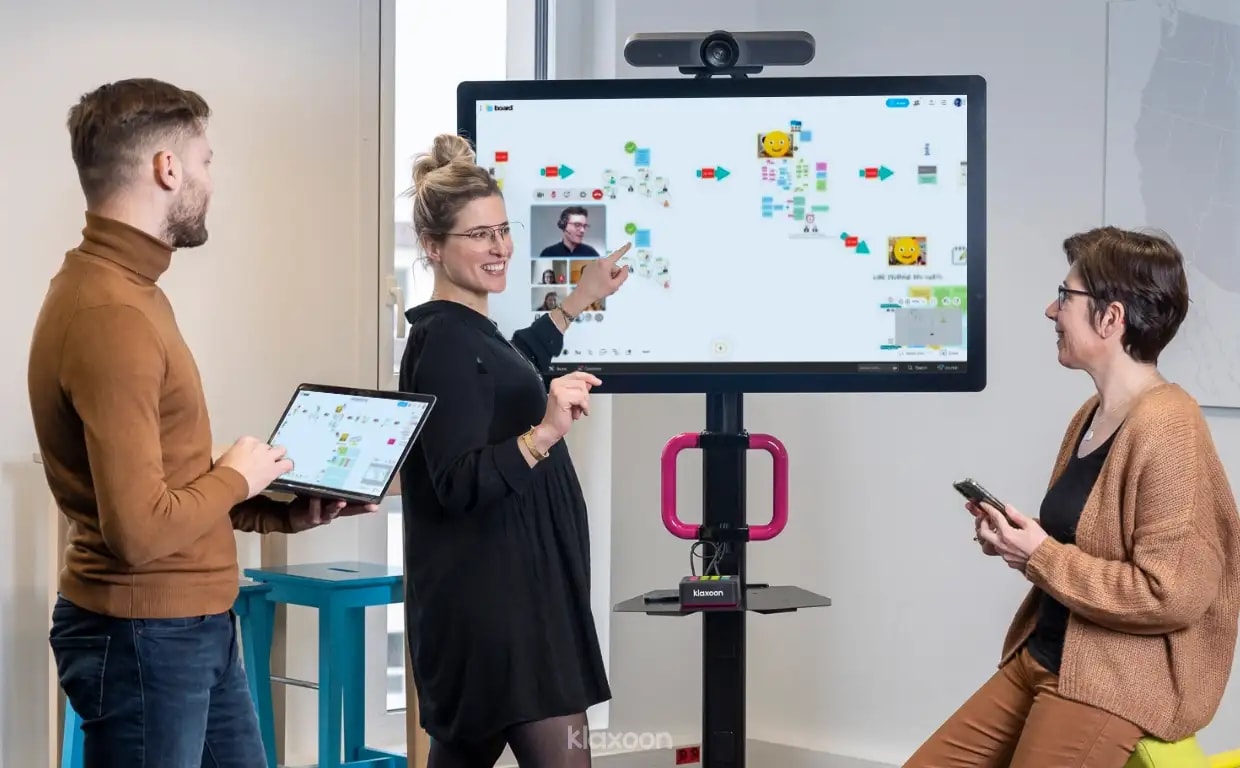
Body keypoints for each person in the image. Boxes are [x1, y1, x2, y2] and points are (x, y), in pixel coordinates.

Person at [27, 78, 378, 768]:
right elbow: (137, 531)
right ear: (167, 167)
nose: (211, 180)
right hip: (145, 637)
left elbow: (158, 483)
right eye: (206, 161)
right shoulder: (112, 315)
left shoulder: (127, 292)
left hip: (188, 627)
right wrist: (233, 473)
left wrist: (273, 512)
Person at [903, 226, 1240, 767]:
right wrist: (1017, 541)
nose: (1049, 310)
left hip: (1113, 680)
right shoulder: (1091, 417)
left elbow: (1171, 593)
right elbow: (1083, 545)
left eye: (1065, 296)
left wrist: (1040, 555)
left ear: (1111, 318)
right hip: (1044, 654)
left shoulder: (1170, 428)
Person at [397, 133, 631, 768]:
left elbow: (514, 365)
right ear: (432, 247)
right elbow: (457, 482)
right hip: (506, 616)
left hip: (510, 603)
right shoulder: (446, 344)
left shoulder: (469, 333)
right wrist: (547, 431)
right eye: (478, 236)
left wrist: (577, 302)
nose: (498, 247)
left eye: (501, 230)